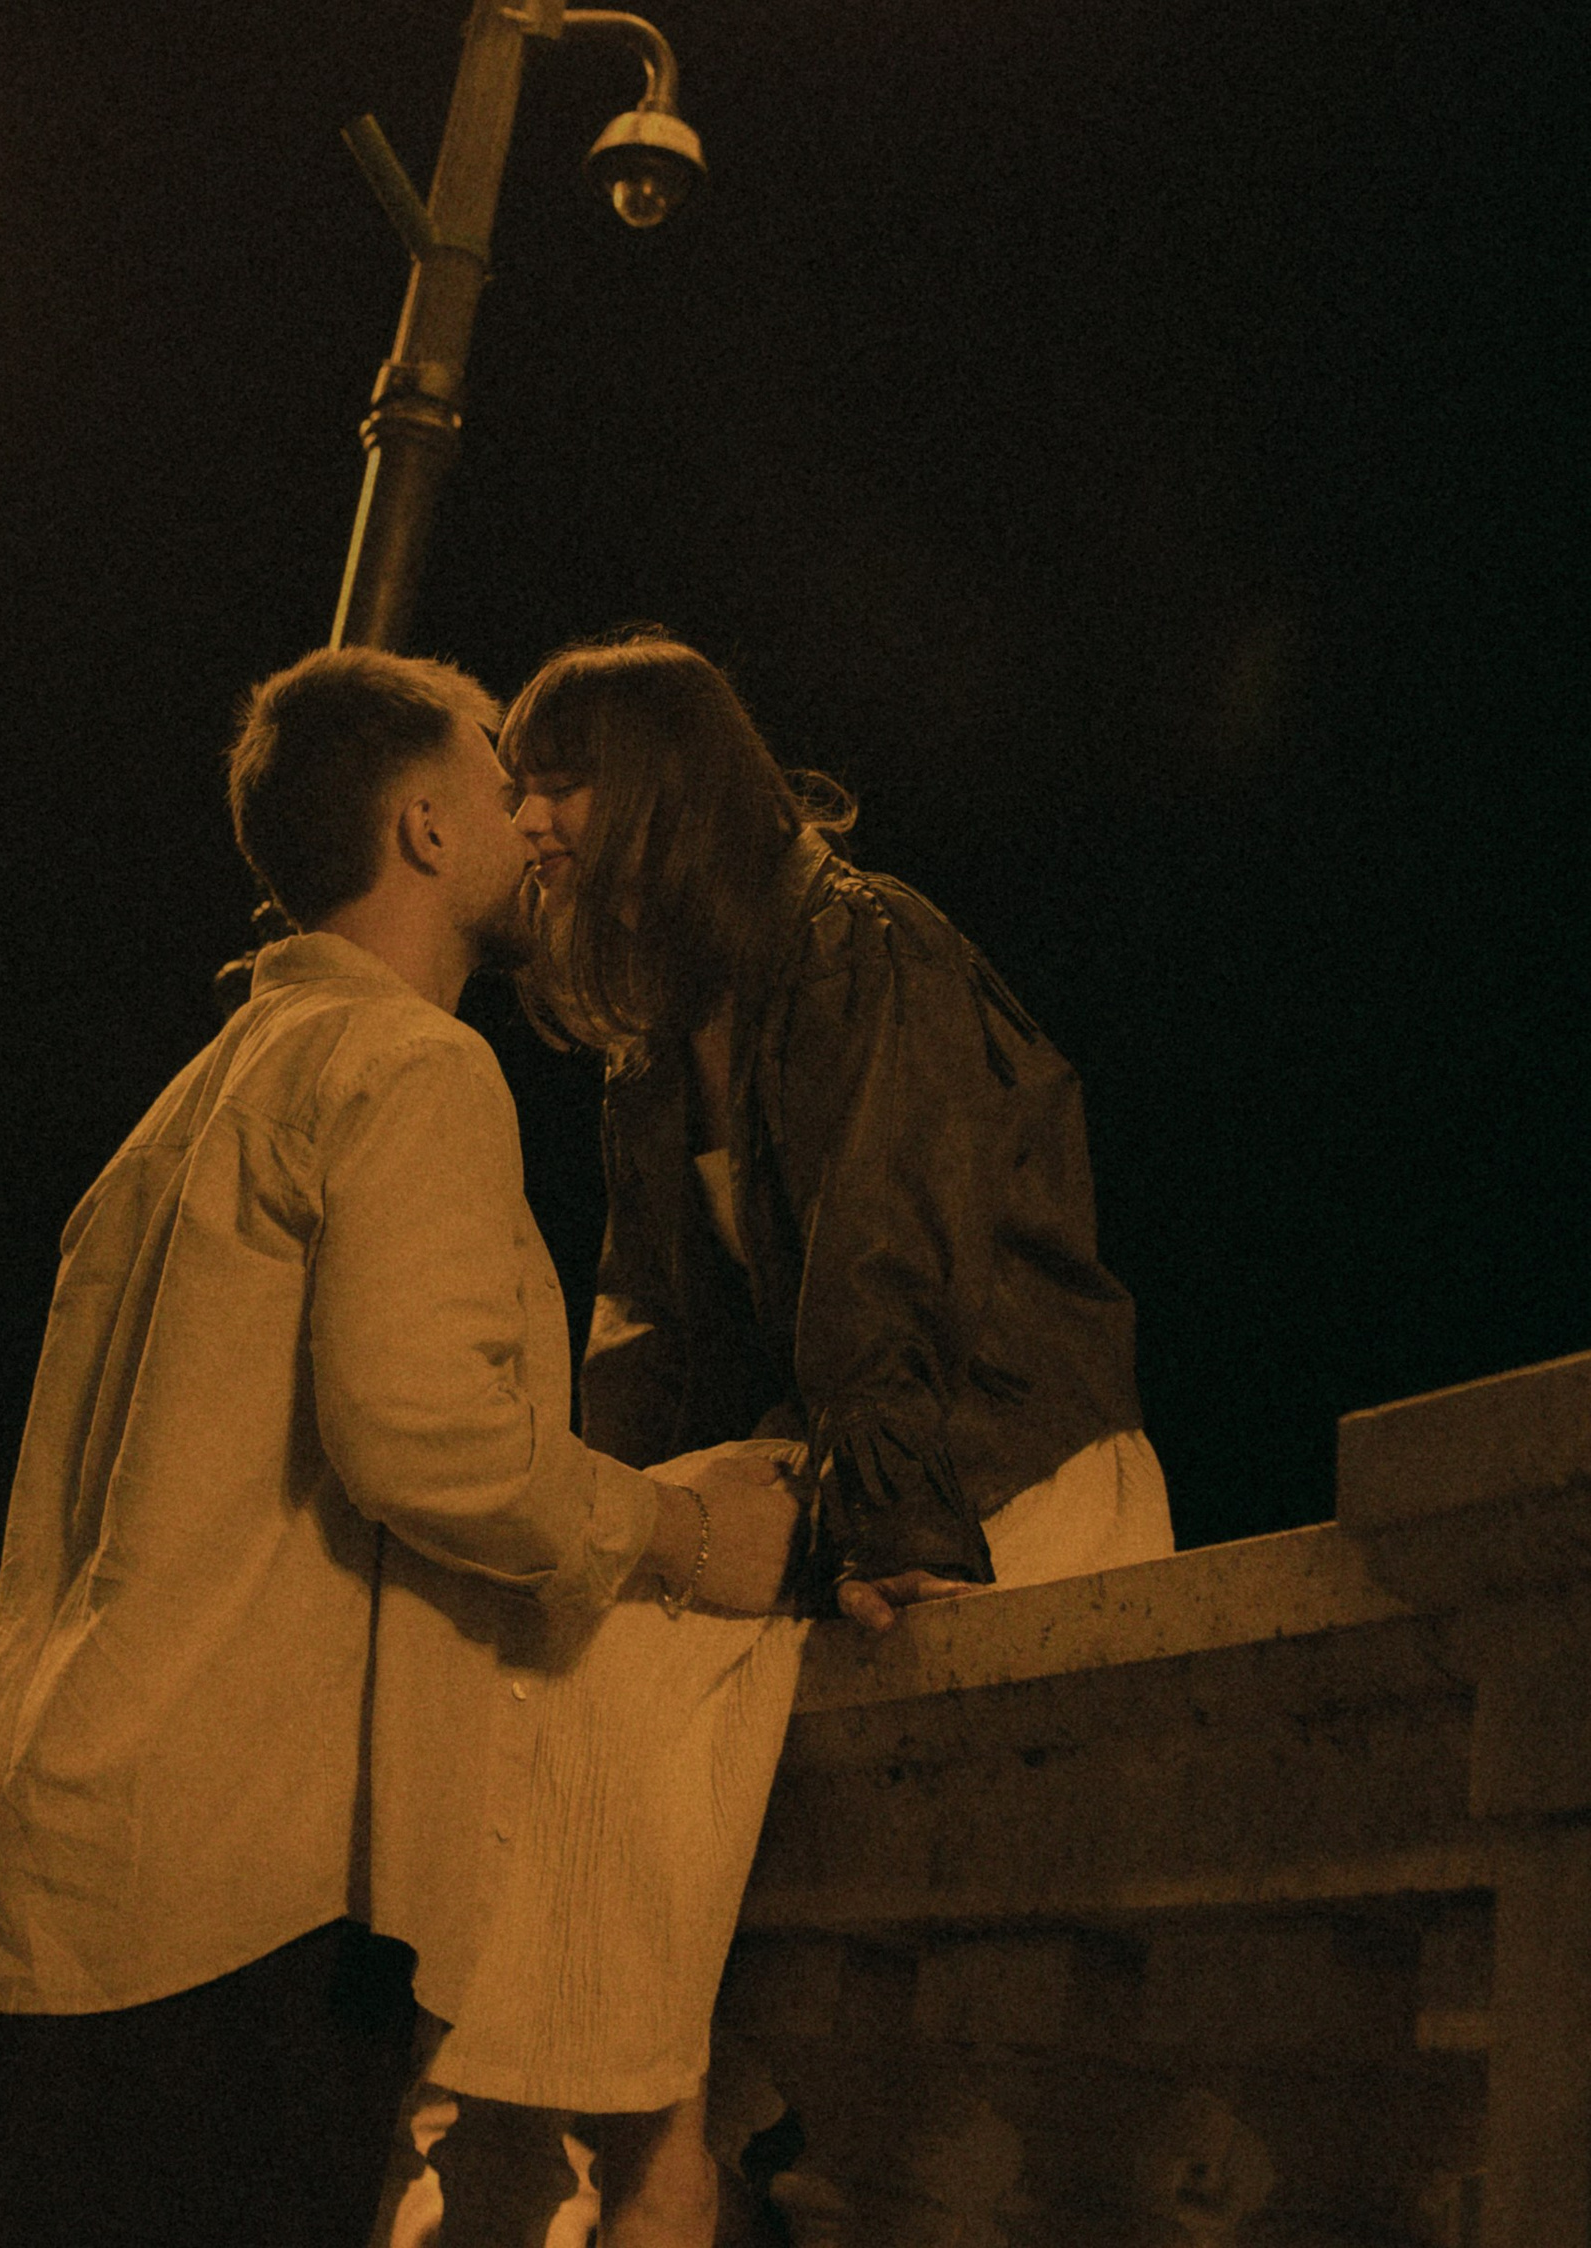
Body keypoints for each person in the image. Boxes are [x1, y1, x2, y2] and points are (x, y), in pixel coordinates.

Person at [0, 645, 793, 2248]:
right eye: (504, 779)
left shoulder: (187, 1104)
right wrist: (678, 1535)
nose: (535, 818)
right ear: (428, 830)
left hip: (58, 1846)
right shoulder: (414, 1067)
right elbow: (430, 1437)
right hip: (244, 1884)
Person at [403, 632, 1171, 2248]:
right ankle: (601, 2145)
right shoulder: (660, 1046)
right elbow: (654, 1349)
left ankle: (642, 2164)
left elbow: (898, 1243)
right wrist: (573, 1516)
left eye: (562, 777)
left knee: (626, 1648)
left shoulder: (864, 948)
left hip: (992, 1464)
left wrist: (885, 1526)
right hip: (846, 1452)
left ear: (666, 790)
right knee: (569, 1613)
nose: (531, 819)